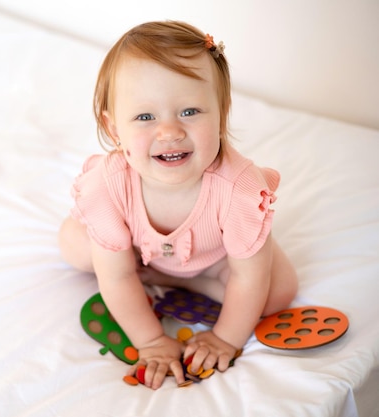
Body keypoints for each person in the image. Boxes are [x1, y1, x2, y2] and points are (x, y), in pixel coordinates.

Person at [58, 21, 298, 389]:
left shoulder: (238, 189)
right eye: (144, 117)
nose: (169, 132)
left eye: (189, 111)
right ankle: (160, 272)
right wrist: (151, 341)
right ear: (113, 129)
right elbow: (116, 275)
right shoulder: (109, 186)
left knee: (277, 291)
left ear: (222, 112)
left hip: (216, 257)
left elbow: (249, 277)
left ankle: (177, 276)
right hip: (138, 254)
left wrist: (226, 338)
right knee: (74, 245)